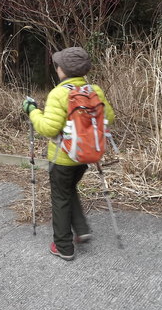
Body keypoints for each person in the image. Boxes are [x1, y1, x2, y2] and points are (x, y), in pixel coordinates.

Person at [23, 47, 115, 261]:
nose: (57, 69)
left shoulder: (58, 94)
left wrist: (32, 111)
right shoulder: (95, 91)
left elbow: (48, 129)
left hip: (62, 159)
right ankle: (81, 230)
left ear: (62, 70)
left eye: (58, 66)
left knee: (61, 197)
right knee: (68, 188)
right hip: (86, 157)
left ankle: (63, 246)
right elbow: (109, 117)